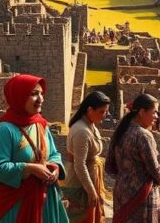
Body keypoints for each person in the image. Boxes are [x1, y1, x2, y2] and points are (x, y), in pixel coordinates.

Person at [0, 75, 68, 223]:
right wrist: (29, 168)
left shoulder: (41, 125)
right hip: (15, 206)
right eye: (34, 94)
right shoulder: (4, 130)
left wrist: (55, 168)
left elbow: (54, 154)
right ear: (19, 96)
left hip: (45, 200)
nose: (40, 99)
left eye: (41, 94)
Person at [106, 94, 160, 223]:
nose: (156, 117)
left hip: (121, 191)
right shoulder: (143, 135)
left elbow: (109, 166)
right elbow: (154, 169)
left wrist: (125, 176)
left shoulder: (120, 131)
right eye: (154, 112)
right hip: (142, 194)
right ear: (142, 112)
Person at [64, 92, 111, 223]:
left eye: (106, 111)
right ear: (90, 110)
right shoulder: (82, 131)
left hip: (90, 180)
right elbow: (79, 165)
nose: (105, 115)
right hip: (81, 184)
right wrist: (91, 191)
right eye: (102, 112)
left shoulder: (90, 125)